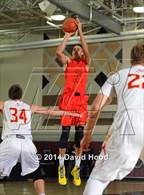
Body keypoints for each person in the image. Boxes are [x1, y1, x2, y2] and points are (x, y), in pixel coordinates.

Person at [81, 43, 144, 195]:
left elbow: (96, 107)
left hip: (127, 125)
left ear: (131, 60)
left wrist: (87, 135)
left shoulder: (117, 75)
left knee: (98, 177)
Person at [0, 84, 80, 195]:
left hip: (11, 142)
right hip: (27, 143)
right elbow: (50, 111)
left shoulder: (3, 104)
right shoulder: (30, 107)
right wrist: (72, 113)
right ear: (21, 95)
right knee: (37, 175)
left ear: (9, 95)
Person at [56, 18, 90, 186]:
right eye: (74, 48)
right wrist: (68, 35)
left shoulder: (86, 63)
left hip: (80, 104)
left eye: (79, 48)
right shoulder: (68, 62)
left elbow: (85, 46)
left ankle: (76, 168)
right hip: (68, 102)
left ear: (82, 53)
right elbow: (58, 52)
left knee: (79, 139)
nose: (76, 49)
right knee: (64, 135)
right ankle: (61, 167)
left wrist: (81, 32)